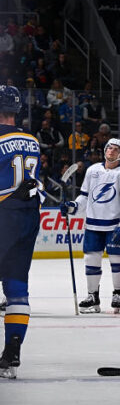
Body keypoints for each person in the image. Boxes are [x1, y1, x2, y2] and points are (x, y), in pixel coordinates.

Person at [59, 138, 120, 313]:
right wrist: (73, 207)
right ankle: (93, 296)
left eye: (116, 149)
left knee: (117, 259)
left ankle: (118, 293)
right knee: (91, 259)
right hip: (93, 224)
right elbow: (85, 196)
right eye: (109, 147)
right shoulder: (93, 170)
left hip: (115, 225)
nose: (111, 150)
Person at [0, 86, 41, 379]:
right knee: (16, 287)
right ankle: (12, 350)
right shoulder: (32, 140)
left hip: (4, 212)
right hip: (29, 214)